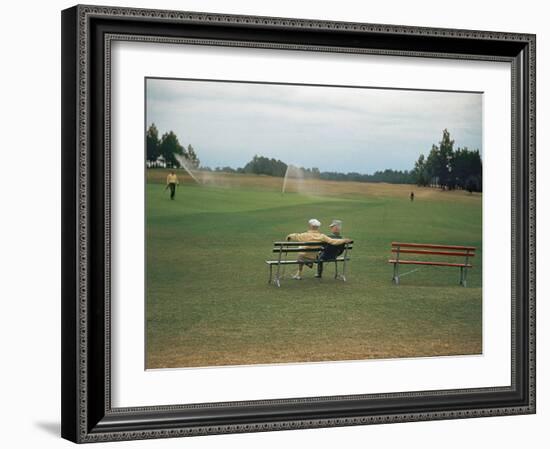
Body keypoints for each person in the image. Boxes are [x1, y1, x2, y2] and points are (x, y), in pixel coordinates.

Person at [286, 219, 351, 280]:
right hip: (314, 257)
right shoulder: (322, 236)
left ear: (310, 226)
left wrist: (288, 236)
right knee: (307, 249)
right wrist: (344, 240)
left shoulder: (304, 235)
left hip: (304, 257)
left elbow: (294, 235)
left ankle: (300, 273)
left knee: (301, 248)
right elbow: (333, 241)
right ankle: (303, 269)